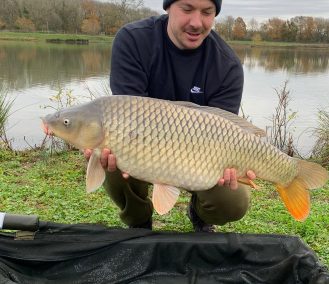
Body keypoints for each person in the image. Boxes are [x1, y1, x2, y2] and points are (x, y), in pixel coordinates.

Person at [85, 0, 255, 232]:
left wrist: (235, 166)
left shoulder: (227, 66)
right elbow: (123, 120)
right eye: (187, 9)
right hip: (141, 145)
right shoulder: (133, 41)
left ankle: (201, 214)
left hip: (203, 158)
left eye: (207, 12)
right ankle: (139, 221)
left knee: (233, 200)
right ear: (168, 7)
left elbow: (226, 131)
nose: (196, 22)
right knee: (110, 150)